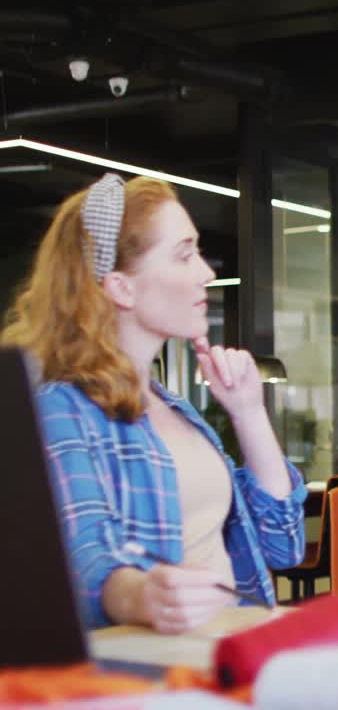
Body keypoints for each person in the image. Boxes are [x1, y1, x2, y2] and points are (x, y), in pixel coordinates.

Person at [2, 174, 306, 633]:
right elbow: (82, 558)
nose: (206, 272)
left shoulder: (175, 408)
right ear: (121, 288)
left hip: (233, 648)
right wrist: (139, 596)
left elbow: (284, 546)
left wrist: (248, 412)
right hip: (159, 671)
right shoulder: (63, 408)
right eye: (185, 254)